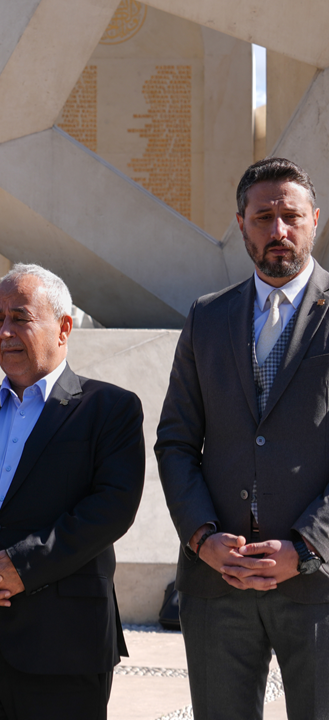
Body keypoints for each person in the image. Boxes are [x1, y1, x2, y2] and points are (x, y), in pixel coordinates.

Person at [0, 264, 144, 719]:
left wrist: (23, 567)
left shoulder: (109, 408)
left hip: (65, 647)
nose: (4, 331)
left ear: (64, 328)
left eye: (20, 317)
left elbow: (112, 508)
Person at [156, 157, 329, 719]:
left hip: (320, 581)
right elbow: (176, 440)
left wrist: (307, 547)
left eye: (291, 216)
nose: (278, 230)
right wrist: (203, 538)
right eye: (263, 217)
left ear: (315, 220)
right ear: (240, 223)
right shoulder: (207, 317)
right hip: (216, 586)